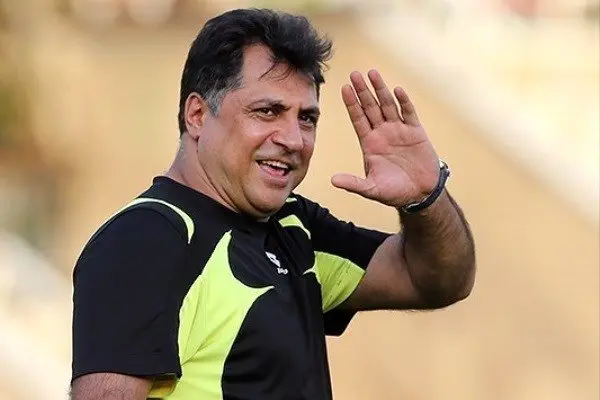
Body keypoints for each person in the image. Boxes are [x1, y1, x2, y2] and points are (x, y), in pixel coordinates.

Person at [70, 8, 476, 400]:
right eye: (267, 111)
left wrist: (425, 198)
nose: (293, 139)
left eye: (307, 118)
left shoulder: (294, 227)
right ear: (197, 114)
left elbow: (437, 280)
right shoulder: (145, 240)